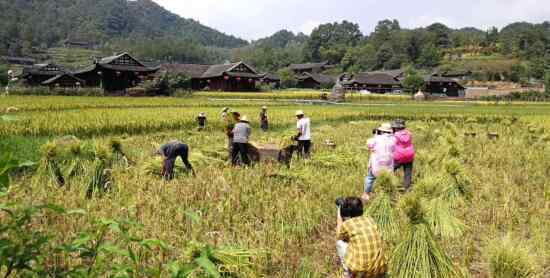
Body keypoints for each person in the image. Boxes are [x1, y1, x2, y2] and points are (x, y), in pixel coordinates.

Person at [337, 197, 387, 278]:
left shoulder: (347, 224)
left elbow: (338, 236)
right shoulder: (370, 220)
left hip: (360, 272)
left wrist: (339, 216)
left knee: (340, 243)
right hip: (380, 269)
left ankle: (348, 273)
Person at [363, 123, 395, 202]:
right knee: (387, 179)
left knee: (370, 178)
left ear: (380, 130)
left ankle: (366, 194)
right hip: (388, 164)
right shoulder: (393, 139)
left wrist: (376, 135)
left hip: (376, 164)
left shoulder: (376, 139)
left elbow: (369, 143)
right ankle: (386, 195)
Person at [392, 119, 415, 191]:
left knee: (390, 169)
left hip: (399, 156)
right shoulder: (409, 133)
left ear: (396, 127)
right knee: (408, 172)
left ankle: (387, 183)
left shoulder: (395, 135)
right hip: (410, 155)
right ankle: (407, 187)